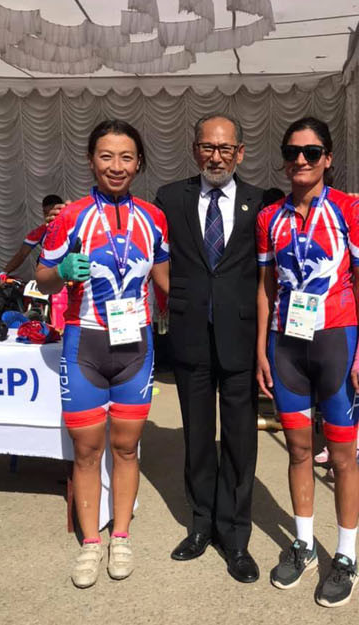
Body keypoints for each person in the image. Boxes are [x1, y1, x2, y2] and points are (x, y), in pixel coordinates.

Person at [34, 120, 170, 589]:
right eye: (107, 156)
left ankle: (122, 536)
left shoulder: (154, 218)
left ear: (139, 163)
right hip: (84, 343)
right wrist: (60, 272)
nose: (117, 166)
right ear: (91, 160)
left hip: (136, 345)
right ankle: (91, 542)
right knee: (87, 451)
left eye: (126, 157)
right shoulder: (70, 217)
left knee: (127, 448)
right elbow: (42, 278)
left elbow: (167, 281)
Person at [255, 117, 359, 608]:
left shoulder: (352, 209)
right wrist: (262, 347)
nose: (301, 160)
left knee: (344, 457)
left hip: (337, 343)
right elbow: (266, 287)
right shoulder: (270, 217)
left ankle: (346, 556)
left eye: (311, 152)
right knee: (298, 450)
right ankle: (304, 544)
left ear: (327, 158)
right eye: (292, 152)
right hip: (286, 346)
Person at [153, 114, 266, 583]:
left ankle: (235, 536)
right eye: (207, 147)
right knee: (198, 437)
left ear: (240, 152)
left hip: (240, 337)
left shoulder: (262, 201)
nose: (215, 157)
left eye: (225, 148)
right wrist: (179, 297)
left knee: (240, 440)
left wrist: (354, 203)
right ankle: (201, 526)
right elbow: (156, 255)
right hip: (191, 335)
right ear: (195, 149)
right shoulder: (170, 198)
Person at [0, 194, 67, 277]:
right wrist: (4, 272)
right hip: (52, 276)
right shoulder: (40, 231)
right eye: (46, 213)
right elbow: (22, 254)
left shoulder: (74, 224)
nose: (50, 216)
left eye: (54, 213)